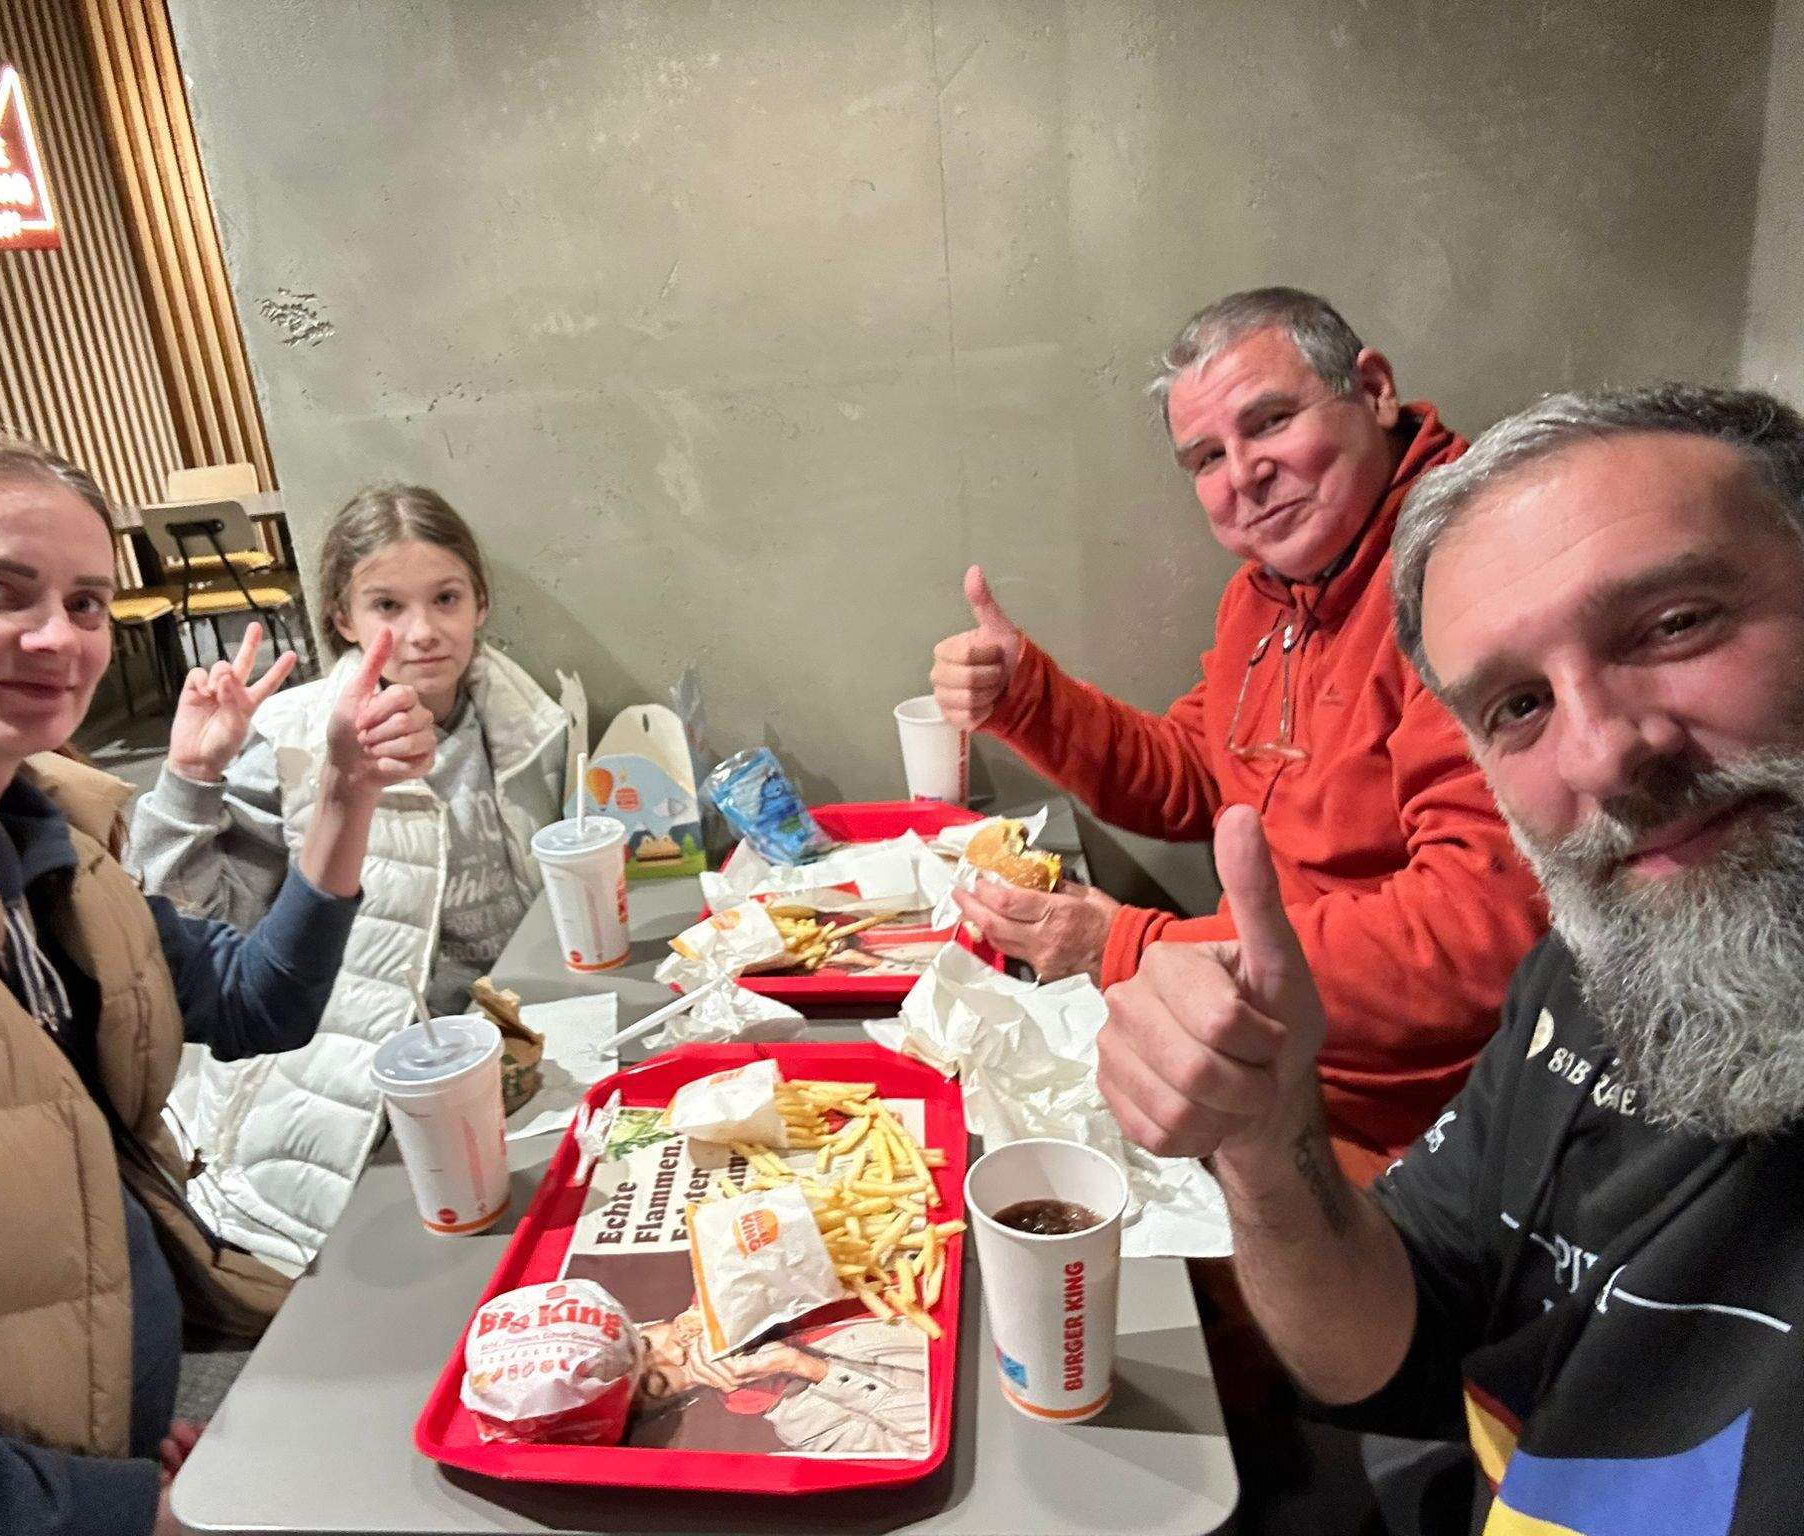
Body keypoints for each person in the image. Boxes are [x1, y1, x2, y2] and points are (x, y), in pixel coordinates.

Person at [1099, 384, 1804, 1531]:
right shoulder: (1582, 978)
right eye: (1518, 705)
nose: (1604, 755)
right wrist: (1265, 1151)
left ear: (1369, 393)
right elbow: (1400, 1346)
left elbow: (1455, 931)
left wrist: (1128, 939)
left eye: (1673, 625)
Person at [0, 430, 435, 1535]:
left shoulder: (42, 842)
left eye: (85, 601)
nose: (57, 639)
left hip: (106, 1438)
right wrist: (118, 1509)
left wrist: (346, 796)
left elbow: (258, 1003)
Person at [932, 287, 1541, 1177]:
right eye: (1208, 456)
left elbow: (1472, 939)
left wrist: (1132, 950)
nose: (1243, 474)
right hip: (1272, 1062)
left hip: (1412, 1131)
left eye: (1272, 422)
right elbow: (1198, 774)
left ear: (1372, 390)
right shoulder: (1268, 592)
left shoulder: (1468, 583)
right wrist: (1027, 698)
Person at [128, 483, 569, 1270]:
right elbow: (188, 921)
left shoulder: (527, 719)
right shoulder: (293, 739)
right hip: (347, 1096)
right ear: (342, 619)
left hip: (501, 1064)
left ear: (481, 603)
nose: (424, 632)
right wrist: (190, 777)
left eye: (446, 598)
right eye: (387, 607)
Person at [635, 1309, 929, 1458]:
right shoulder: (802, 1426)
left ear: (653, 1322)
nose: (675, 1352)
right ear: (683, 1396)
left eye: (646, 1345)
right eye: (658, 1381)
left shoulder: (738, 1283)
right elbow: (925, 1437)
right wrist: (808, 1367)